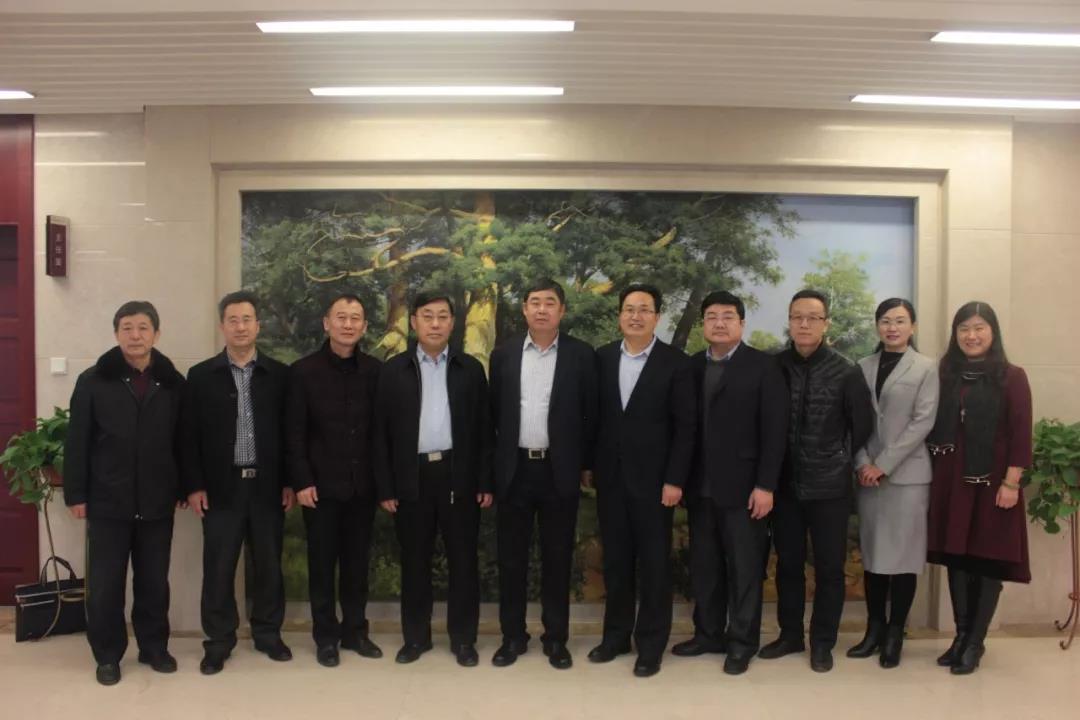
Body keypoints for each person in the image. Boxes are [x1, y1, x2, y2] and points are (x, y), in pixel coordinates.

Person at [64, 301, 185, 686]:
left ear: (156, 334)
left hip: (157, 501)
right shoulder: (92, 381)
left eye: (143, 327)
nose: (136, 335)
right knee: (105, 586)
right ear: (116, 334)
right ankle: (107, 655)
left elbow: (183, 441)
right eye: (127, 328)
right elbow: (77, 440)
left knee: (154, 583)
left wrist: (183, 486)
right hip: (107, 502)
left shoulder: (172, 382)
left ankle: (154, 648)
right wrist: (76, 494)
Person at [373, 292, 493, 667]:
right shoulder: (394, 370)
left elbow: (485, 431)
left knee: (463, 562)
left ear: (453, 323)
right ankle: (416, 638)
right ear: (414, 323)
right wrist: (386, 486)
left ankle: (463, 639)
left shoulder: (470, 369)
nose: (436, 323)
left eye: (443, 316)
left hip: (459, 476)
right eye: (428, 316)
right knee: (415, 562)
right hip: (412, 477)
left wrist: (484, 481)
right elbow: (380, 435)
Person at [759, 289, 874, 672]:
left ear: (826, 323)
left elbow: (862, 425)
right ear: (789, 322)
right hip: (785, 486)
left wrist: (836, 456)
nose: (804, 324)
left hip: (830, 488)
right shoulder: (774, 366)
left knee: (829, 569)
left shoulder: (846, 371)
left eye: (812, 318)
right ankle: (790, 635)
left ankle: (822, 642)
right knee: (788, 564)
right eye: (797, 317)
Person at [182, 290, 295, 675]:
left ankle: (268, 634)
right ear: (222, 326)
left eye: (247, 319)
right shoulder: (201, 376)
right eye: (233, 320)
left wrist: (289, 481)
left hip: (267, 487)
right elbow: (188, 437)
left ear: (258, 325)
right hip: (220, 489)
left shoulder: (279, 375)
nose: (241, 327)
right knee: (218, 568)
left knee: (269, 566)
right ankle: (218, 641)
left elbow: (291, 434)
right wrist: (194, 485)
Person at [677, 290, 788, 675]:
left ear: (741, 323)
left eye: (727, 316)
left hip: (746, 490)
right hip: (700, 488)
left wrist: (766, 485)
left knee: (744, 570)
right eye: (712, 316)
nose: (719, 323)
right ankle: (708, 634)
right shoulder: (692, 366)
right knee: (705, 567)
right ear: (703, 324)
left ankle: (741, 642)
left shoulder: (764, 367)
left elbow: (775, 432)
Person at [489, 278, 598, 670]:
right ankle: (512, 637)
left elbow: (591, 415)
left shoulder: (581, 355)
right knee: (511, 561)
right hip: (514, 470)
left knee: (557, 559)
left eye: (549, 302)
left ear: (561, 310)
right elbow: (493, 414)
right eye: (534, 302)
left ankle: (556, 639)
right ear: (524, 309)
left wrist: (586, 466)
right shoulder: (503, 354)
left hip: (559, 470)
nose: (541, 309)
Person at [588, 284, 695, 678]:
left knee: (653, 566)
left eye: (644, 309)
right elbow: (593, 418)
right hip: (611, 480)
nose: (636, 316)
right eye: (629, 309)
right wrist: (589, 465)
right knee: (616, 562)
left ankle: (650, 645)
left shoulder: (676, 363)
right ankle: (615, 637)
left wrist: (675, 479)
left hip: (656, 484)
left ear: (657, 317)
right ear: (620, 315)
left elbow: (686, 428)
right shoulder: (601, 358)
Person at [927, 301, 1032, 675]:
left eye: (978, 327)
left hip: (993, 483)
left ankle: (975, 642)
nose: (971, 336)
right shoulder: (945, 374)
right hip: (952, 480)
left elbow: (1021, 433)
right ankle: (960, 637)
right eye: (963, 329)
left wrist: (1011, 482)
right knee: (957, 559)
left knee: (988, 560)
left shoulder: (1012, 377)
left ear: (993, 332)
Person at [287, 294, 383, 667]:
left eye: (355, 318)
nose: (348, 324)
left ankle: (356, 631)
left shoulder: (376, 371)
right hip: (319, 489)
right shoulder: (303, 372)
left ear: (364, 326)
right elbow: (294, 433)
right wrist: (301, 481)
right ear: (327, 323)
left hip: (363, 487)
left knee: (357, 566)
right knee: (322, 566)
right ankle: (326, 637)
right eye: (341, 317)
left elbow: (381, 433)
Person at [848, 298, 938, 668]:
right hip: (867, 476)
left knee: (903, 559)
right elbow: (854, 421)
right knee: (873, 556)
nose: (892, 327)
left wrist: (883, 465)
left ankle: (895, 633)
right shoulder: (862, 366)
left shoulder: (926, 367)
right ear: (877, 326)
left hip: (907, 477)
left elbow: (923, 422)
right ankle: (874, 629)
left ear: (912, 326)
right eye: (885, 321)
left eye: (900, 321)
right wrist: (863, 463)